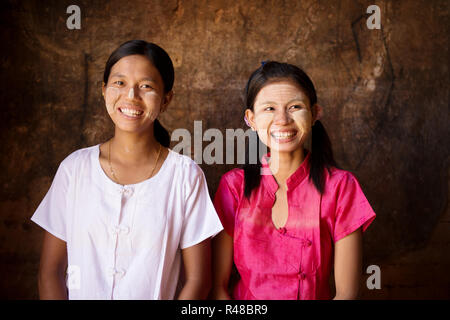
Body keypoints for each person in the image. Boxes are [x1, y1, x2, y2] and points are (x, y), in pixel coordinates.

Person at [31, 40, 223, 300]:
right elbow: (50, 272)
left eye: (146, 86)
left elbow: (198, 281)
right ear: (104, 90)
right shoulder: (74, 169)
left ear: (166, 99)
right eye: (119, 83)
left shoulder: (185, 176)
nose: (131, 95)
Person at [211, 61, 376, 300]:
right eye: (269, 109)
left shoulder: (341, 187)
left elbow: (346, 294)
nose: (283, 119)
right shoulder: (233, 186)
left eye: (295, 106)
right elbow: (217, 288)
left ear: (314, 113)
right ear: (251, 119)